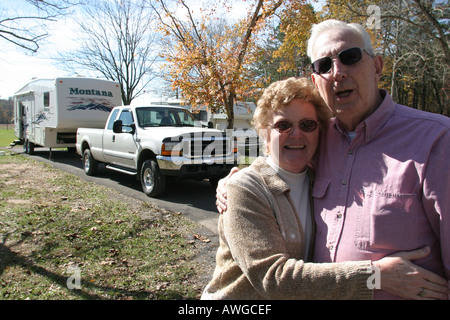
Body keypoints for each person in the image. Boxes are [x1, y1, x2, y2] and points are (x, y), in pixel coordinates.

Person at [215, 20, 449, 300]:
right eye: (324, 65)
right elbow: (274, 168)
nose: (337, 72)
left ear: (376, 67)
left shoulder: (437, 139)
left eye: (350, 57)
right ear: (316, 80)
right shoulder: (321, 141)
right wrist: (235, 181)